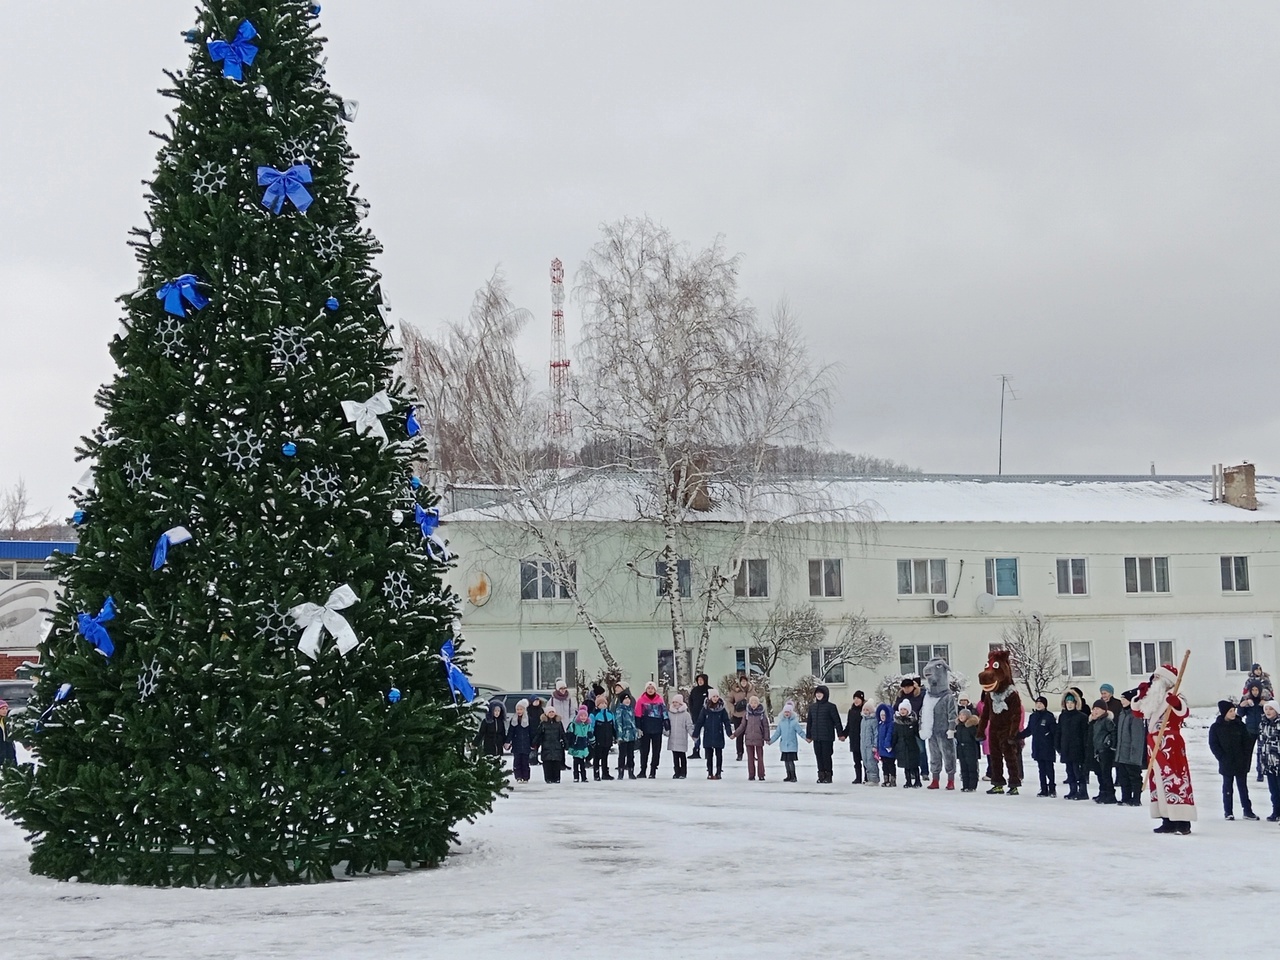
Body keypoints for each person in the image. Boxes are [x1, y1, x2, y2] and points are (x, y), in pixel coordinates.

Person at [1132, 664, 1197, 834]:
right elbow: (1138, 712)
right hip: (1154, 744)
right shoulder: (1154, 697)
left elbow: (1183, 711)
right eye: (1154, 677)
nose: (1154, 681)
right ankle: (1167, 818)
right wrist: (1140, 696)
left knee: (1175, 780)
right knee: (1159, 782)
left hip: (1170, 744)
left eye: (1158, 678)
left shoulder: (1175, 695)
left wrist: (1175, 704)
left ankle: (1183, 822)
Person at [1208, 700, 1257, 820]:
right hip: (1226, 762)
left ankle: (1247, 810)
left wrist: (1245, 757)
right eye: (1230, 711)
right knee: (1227, 788)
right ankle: (1228, 811)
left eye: (1234, 711)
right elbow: (1214, 744)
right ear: (1224, 712)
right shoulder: (1216, 727)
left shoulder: (1240, 725)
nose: (1233, 713)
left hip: (1240, 761)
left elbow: (1247, 742)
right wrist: (1222, 757)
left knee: (1243, 787)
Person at [805, 684, 846, 784]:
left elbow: (837, 721)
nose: (818, 695)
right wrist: (809, 735)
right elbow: (809, 722)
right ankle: (821, 775)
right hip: (816, 736)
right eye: (817, 693)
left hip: (827, 737)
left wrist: (840, 734)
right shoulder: (812, 707)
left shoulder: (831, 707)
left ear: (825, 694)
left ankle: (828, 775)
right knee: (818, 756)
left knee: (826, 756)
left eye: (820, 693)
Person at [1019, 696, 1058, 797]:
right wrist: (1017, 736)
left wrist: (1055, 743)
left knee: (1049, 768)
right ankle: (1043, 788)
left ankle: (1052, 789)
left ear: (1045, 705)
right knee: (1041, 769)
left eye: (1041, 703)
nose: (1038, 705)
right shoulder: (1033, 717)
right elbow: (1029, 730)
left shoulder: (1049, 716)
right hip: (1037, 746)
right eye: (1037, 703)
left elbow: (1054, 732)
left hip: (1048, 747)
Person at [693, 688, 735, 779]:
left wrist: (729, 733)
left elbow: (726, 722)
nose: (715, 698)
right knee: (709, 755)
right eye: (713, 696)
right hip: (708, 734)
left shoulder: (722, 709)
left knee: (719, 754)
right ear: (709, 697)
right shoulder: (705, 709)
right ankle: (710, 772)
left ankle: (719, 772)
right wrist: (696, 733)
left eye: (717, 696)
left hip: (718, 734)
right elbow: (700, 721)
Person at [1114, 689, 1146, 806]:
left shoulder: (1135, 716)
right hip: (1122, 753)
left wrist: (1135, 754)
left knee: (1134, 777)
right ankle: (1125, 797)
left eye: (1124, 699)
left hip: (1131, 753)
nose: (1122, 701)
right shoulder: (1122, 714)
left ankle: (1136, 798)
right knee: (1123, 777)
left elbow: (1137, 737)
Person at [1055, 692, 1090, 801]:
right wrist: (1058, 746)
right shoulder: (1063, 716)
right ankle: (1073, 790)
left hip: (1078, 749)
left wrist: (1085, 749)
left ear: (1076, 703)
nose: (1069, 705)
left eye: (1072, 702)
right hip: (1066, 748)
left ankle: (1083, 791)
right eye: (1067, 702)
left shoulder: (1082, 717)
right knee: (1069, 771)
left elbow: (1085, 734)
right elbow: (1059, 732)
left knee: (1078, 771)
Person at [635, 681, 669, 778]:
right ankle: (643, 770)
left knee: (656, 750)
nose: (650, 690)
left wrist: (666, 724)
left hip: (657, 728)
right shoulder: (641, 700)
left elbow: (664, 712)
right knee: (644, 750)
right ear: (646, 690)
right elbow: (637, 714)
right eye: (648, 688)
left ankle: (653, 770)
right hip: (645, 728)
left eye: (652, 688)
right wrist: (638, 727)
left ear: (655, 689)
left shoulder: (660, 700)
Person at [735, 694, 771, 782]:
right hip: (749, 739)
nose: (753, 704)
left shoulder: (762, 715)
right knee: (750, 758)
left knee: (760, 757)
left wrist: (766, 738)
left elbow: (766, 726)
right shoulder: (747, 714)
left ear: (758, 703)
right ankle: (751, 774)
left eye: (755, 702)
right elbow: (742, 726)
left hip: (759, 738)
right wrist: (735, 734)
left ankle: (761, 774)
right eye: (752, 703)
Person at [900, 676, 929, 779]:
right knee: (909, 750)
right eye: (904, 687)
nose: (906, 689)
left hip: (918, 727)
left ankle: (924, 771)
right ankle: (912, 770)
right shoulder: (900, 697)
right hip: (905, 727)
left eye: (908, 687)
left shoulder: (919, 695)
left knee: (921, 749)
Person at [1089, 701, 1117, 804]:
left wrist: (1111, 745)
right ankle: (1103, 792)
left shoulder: (1106, 721)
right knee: (1100, 773)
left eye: (1098, 709)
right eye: (1094, 709)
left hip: (1106, 751)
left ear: (1104, 710)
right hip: (1098, 751)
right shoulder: (1096, 721)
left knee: (1106, 773)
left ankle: (1110, 794)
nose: (1095, 711)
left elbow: (1113, 732)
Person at [770, 700, 805, 782]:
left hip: (792, 746)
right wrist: (771, 741)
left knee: (791, 761)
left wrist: (806, 738)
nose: (786, 714)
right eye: (785, 712)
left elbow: (800, 732)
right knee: (786, 761)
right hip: (784, 746)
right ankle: (788, 775)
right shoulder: (781, 723)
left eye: (788, 712)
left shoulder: (794, 723)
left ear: (791, 713)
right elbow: (777, 733)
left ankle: (793, 776)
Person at [1238, 682, 1266, 782]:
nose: (1255, 692)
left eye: (1256, 690)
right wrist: (1241, 706)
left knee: (1261, 752)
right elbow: (1240, 714)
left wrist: (1265, 705)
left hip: (1262, 729)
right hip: (1250, 729)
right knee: (1247, 751)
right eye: (1253, 690)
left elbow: (1273, 712)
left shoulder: (1265, 699)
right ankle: (1245, 770)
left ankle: (1260, 772)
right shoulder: (1246, 699)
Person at [1257, 700, 1280, 820]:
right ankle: (1276, 811)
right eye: (1266, 709)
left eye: (1271, 709)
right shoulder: (1263, 724)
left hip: (1278, 761)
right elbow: (1261, 743)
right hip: (1268, 762)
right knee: (1273, 790)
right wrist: (1261, 762)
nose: (1268, 712)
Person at [532, 707, 566, 783]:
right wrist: (534, 743)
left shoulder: (558, 723)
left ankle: (557, 778)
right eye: (550, 712)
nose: (551, 714)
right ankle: (548, 778)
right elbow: (538, 734)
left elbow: (563, 734)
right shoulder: (543, 724)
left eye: (553, 712)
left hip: (557, 746)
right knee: (547, 763)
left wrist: (566, 743)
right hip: (546, 746)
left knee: (556, 763)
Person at [893, 702, 922, 788]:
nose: (902, 711)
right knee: (906, 766)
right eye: (901, 709)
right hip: (902, 746)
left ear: (908, 711)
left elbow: (917, 733)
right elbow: (895, 735)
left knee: (914, 765)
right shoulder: (897, 723)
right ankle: (908, 781)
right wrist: (892, 744)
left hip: (912, 746)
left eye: (904, 709)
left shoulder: (913, 722)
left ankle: (917, 781)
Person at [667, 693, 694, 779]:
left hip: (682, 739)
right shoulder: (670, 713)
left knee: (682, 756)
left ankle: (683, 772)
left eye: (677, 702)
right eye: (673, 702)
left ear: (681, 703)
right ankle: (676, 772)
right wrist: (666, 731)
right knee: (675, 757)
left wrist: (693, 735)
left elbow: (689, 726)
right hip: (673, 739)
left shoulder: (686, 714)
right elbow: (667, 725)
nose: (675, 704)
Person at [613, 689, 639, 779]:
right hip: (623, 736)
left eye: (628, 699)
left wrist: (635, 733)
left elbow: (633, 723)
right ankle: (621, 772)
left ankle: (631, 771)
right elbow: (618, 723)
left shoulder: (631, 710)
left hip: (631, 736)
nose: (627, 701)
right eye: (625, 699)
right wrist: (619, 736)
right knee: (622, 755)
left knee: (631, 755)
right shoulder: (620, 710)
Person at [506, 698, 534, 783]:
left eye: (521, 709)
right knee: (517, 761)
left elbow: (532, 732)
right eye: (517, 709)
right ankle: (518, 776)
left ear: (524, 710)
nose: (519, 711)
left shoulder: (529, 720)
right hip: (516, 744)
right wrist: (507, 741)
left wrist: (533, 743)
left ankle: (526, 777)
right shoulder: (514, 720)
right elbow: (510, 732)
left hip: (526, 744)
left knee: (525, 762)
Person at [954, 708, 982, 792]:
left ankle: (972, 786)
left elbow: (977, 737)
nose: (961, 717)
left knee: (972, 768)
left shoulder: (971, 727)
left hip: (971, 749)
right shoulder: (959, 726)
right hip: (961, 749)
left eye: (963, 715)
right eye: (960, 715)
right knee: (963, 768)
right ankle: (965, 785)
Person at [590, 694, 616, 781]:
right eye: (601, 704)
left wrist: (615, 736)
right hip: (598, 740)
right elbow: (591, 727)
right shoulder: (594, 715)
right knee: (597, 757)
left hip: (607, 739)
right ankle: (596, 774)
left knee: (605, 757)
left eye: (604, 703)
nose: (603, 705)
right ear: (597, 705)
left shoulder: (610, 714)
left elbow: (613, 726)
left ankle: (605, 773)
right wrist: (591, 738)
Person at [566, 705, 595, 783]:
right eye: (581, 716)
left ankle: (584, 777)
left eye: (585, 716)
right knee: (576, 762)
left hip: (583, 745)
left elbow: (590, 734)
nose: (583, 717)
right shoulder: (574, 724)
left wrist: (593, 742)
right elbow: (569, 734)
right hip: (576, 745)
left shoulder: (587, 725)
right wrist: (569, 742)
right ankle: (576, 776)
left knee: (582, 763)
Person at [687, 673, 710, 760]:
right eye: (698, 680)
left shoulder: (709, 690)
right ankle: (696, 750)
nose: (700, 681)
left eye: (701, 680)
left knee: (707, 733)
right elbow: (690, 701)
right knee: (696, 733)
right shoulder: (694, 690)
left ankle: (708, 751)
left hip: (707, 715)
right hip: (696, 715)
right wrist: (692, 711)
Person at [845, 691, 867, 784]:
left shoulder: (865, 711)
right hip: (854, 739)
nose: (856, 700)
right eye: (855, 698)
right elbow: (849, 725)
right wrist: (843, 734)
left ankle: (867, 777)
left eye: (858, 698)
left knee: (865, 760)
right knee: (856, 761)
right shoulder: (851, 711)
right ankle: (858, 777)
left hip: (863, 739)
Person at [874, 703, 897, 786]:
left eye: (884, 715)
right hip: (882, 749)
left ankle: (892, 779)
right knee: (884, 765)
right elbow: (878, 737)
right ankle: (886, 779)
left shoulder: (890, 724)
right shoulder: (880, 725)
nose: (882, 717)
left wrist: (887, 745)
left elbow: (889, 735)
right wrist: (877, 747)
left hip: (888, 749)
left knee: (890, 764)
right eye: (881, 715)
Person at [729, 677, 751, 761]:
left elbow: (756, 699)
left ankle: (751, 753)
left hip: (749, 715)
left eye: (745, 681)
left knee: (750, 736)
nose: (744, 683)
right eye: (742, 681)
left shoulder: (751, 690)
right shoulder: (735, 690)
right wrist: (733, 710)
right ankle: (739, 753)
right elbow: (729, 700)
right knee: (739, 735)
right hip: (738, 716)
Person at [858, 701, 880, 785]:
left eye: (867, 710)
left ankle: (874, 779)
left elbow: (876, 733)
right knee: (866, 762)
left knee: (871, 762)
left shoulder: (873, 721)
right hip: (863, 745)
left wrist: (875, 745)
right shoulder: (863, 720)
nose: (865, 711)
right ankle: (869, 778)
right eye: (864, 709)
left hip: (870, 745)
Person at [527, 696, 545, 766]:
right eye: (535, 701)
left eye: (538, 701)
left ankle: (536, 758)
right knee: (532, 745)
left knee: (537, 745)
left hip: (539, 729)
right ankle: (531, 759)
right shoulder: (529, 710)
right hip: (531, 729)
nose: (537, 702)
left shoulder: (540, 709)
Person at [0, 699, 16, 767]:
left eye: (6, 708)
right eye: (2, 709)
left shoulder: (7, 721)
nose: (5, 711)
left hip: (7, 749)